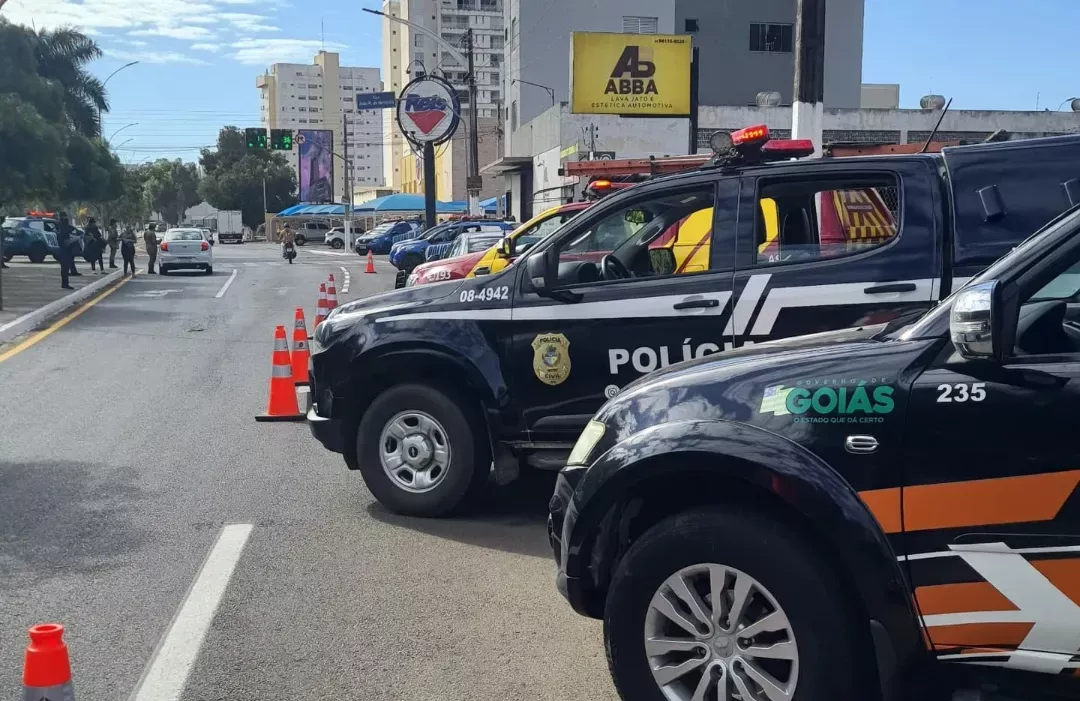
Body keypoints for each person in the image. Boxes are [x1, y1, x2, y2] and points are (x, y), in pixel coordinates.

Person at [56, 211, 75, 289]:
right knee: (65, 266)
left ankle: (65, 283)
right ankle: (65, 284)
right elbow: (64, 232)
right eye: (65, 217)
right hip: (64, 247)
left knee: (65, 266)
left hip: (64, 246)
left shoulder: (60, 224)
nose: (66, 218)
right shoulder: (61, 224)